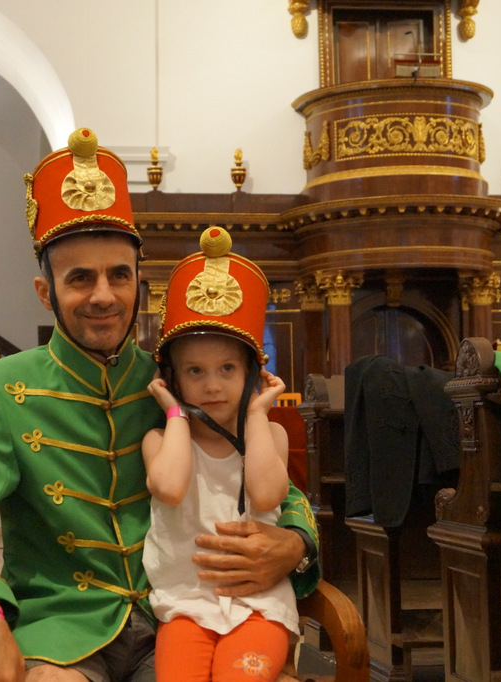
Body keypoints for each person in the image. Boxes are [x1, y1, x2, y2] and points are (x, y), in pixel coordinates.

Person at [0, 128, 319, 682]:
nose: (103, 295)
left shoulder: (178, 383)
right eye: (80, 278)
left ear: (138, 286)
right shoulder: (0, 389)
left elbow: (273, 486)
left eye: (118, 275)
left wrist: (294, 545)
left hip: (177, 618)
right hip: (61, 633)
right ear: (46, 292)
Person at [142, 227, 297, 681]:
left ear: (251, 374)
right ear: (172, 378)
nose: (212, 385)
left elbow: (266, 495)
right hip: (184, 606)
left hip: (259, 605)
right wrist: (175, 411)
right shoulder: (159, 440)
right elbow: (170, 488)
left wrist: (257, 413)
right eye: (195, 371)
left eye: (227, 368)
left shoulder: (270, 434)